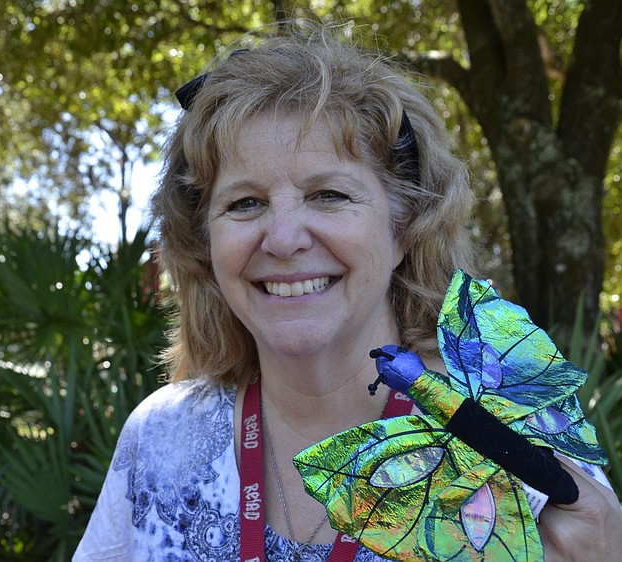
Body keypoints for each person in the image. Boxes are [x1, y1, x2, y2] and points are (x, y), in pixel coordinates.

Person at [73, 20, 622, 562]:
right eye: (245, 203)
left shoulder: (512, 434)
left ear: (405, 228)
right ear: (205, 244)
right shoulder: (161, 438)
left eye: (329, 195)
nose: (283, 239)